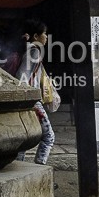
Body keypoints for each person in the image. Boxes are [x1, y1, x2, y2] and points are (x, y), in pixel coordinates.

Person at [15, 18, 62, 166]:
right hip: (32, 101)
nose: (47, 37)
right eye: (45, 33)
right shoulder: (34, 52)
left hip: (27, 100)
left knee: (26, 138)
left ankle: (18, 169)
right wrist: (29, 97)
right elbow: (22, 77)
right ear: (36, 36)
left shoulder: (29, 50)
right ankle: (40, 168)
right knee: (48, 137)